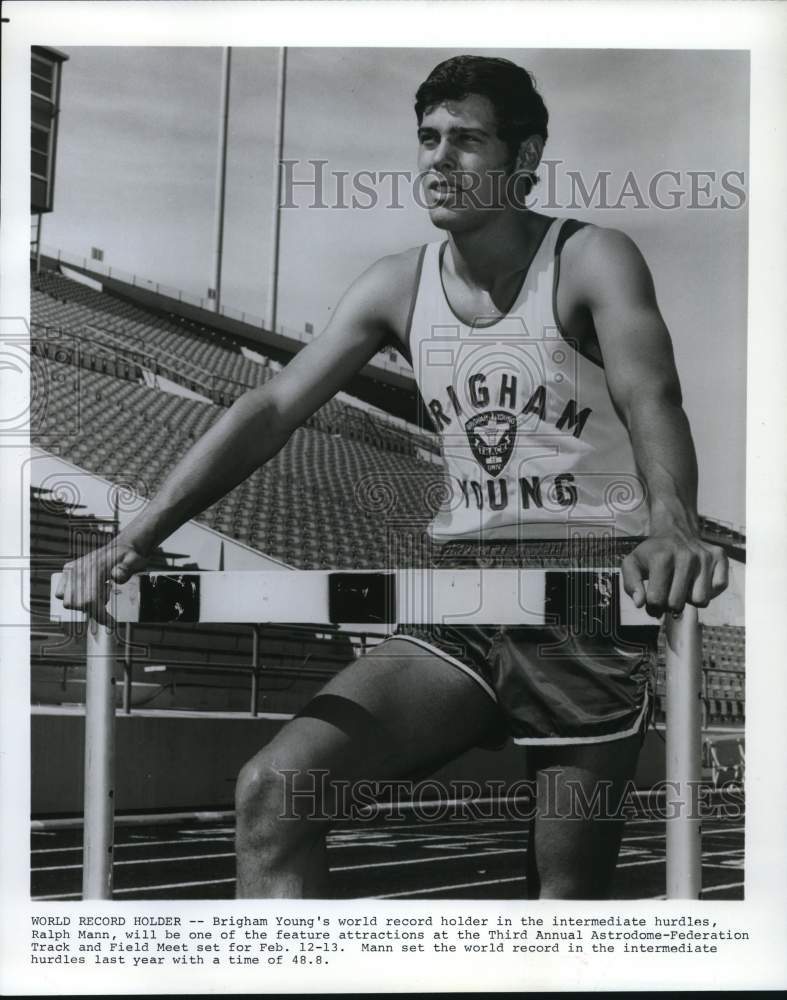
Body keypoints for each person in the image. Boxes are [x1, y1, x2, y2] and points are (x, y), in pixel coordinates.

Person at [57, 55, 728, 898]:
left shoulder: (592, 257)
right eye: (427, 139)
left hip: (583, 594)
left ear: (524, 161)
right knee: (276, 792)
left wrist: (672, 518)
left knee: (563, 900)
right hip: (461, 598)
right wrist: (132, 539)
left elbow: (650, 394)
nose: (438, 160)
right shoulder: (395, 285)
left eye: (468, 141)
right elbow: (268, 411)